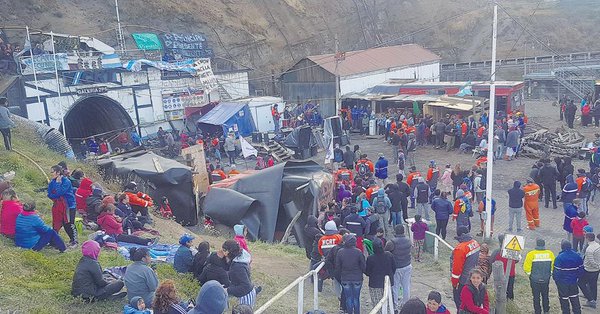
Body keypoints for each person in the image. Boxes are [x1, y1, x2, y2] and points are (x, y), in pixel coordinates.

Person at [48, 164, 78, 248]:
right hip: (58, 205)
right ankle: (54, 241)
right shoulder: (52, 182)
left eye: (52, 172)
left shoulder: (66, 181)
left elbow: (59, 192)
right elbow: (50, 194)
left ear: (58, 173)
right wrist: (55, 194)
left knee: (69, 223)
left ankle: (74, 241)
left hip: (69, 205)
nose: (51, 174)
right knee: (57, 223)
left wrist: (57, 185)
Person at [451, 226, 481, 309]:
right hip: (474, 279)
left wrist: (454, 284)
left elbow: (456, 270)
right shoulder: (475, 243)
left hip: (463, 281)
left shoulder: (460, 249)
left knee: (460, 303)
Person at [335, 233, 366, 314]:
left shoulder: (340, 252)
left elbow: (337, 267)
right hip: (357, 278)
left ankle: (349, 312)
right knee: (356, 298)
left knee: (348, 298)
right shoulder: (358, 252)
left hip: (345, 278)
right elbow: (363, 266)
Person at [523, 238, 555, 314]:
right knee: (545, 295)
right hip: (546, 279)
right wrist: (549, 273)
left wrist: (530, 275)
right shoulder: (550, 253)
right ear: (544, 245)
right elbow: (553, 265)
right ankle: (546, 310)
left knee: (536, 297)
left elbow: (526, 267)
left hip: (534, 280)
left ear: (536, 244)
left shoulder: (531, 254)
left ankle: (537, 311)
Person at [222, 240, 258, 308]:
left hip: (246, 295)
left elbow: (245, 286)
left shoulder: (238, 267)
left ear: (230, 252)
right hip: (244, 293)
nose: (223, 252)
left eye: (224, 250)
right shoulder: (238, 259)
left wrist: (228, 290)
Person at [385, 224, 412, 310]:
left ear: (395, 231)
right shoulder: (408, 240)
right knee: (406, 285)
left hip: (396, 267)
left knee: (395, 286)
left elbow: (385, 251)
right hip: (407, 265)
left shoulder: (392, 242)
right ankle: (405, 304)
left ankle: (395, 306)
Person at [553, 240, 583, 314]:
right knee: (575, 298)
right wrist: (577, 277)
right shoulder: (577, 256)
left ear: (562, 247)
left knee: (564, 300)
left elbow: (556, 273)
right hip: (573, 282)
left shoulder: (559, 258)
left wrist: (557, 282)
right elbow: (581, 270)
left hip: (563, 283)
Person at [491, 234, 519, 300]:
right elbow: (517, 260)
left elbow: (491, 261)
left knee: (499, 289)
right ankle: (510, 302)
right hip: (511, 273)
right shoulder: (512, 251)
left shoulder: (496, 252)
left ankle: (500, 302)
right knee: (510, 288)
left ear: (499, 242)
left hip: (499, 274)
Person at [579, 233, 600, 309]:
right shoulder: (597, 245)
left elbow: (591, 261)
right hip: (596, 270)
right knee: (593, 285)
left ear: (587, 238)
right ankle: (593, 299)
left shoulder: (589, 249)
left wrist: (597, 266)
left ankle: (590, 299)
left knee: (581, 283)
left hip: (589, 270)